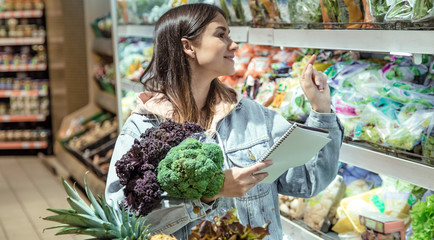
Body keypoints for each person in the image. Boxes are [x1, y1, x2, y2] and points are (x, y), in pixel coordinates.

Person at [105, 3, 344, 239]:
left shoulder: (251, 114)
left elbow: (309, 181)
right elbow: (121, 219)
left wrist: (321, 108)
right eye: (221, 34)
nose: (234, 44)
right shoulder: (145, 128)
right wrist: (211, 192)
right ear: (188, 47)